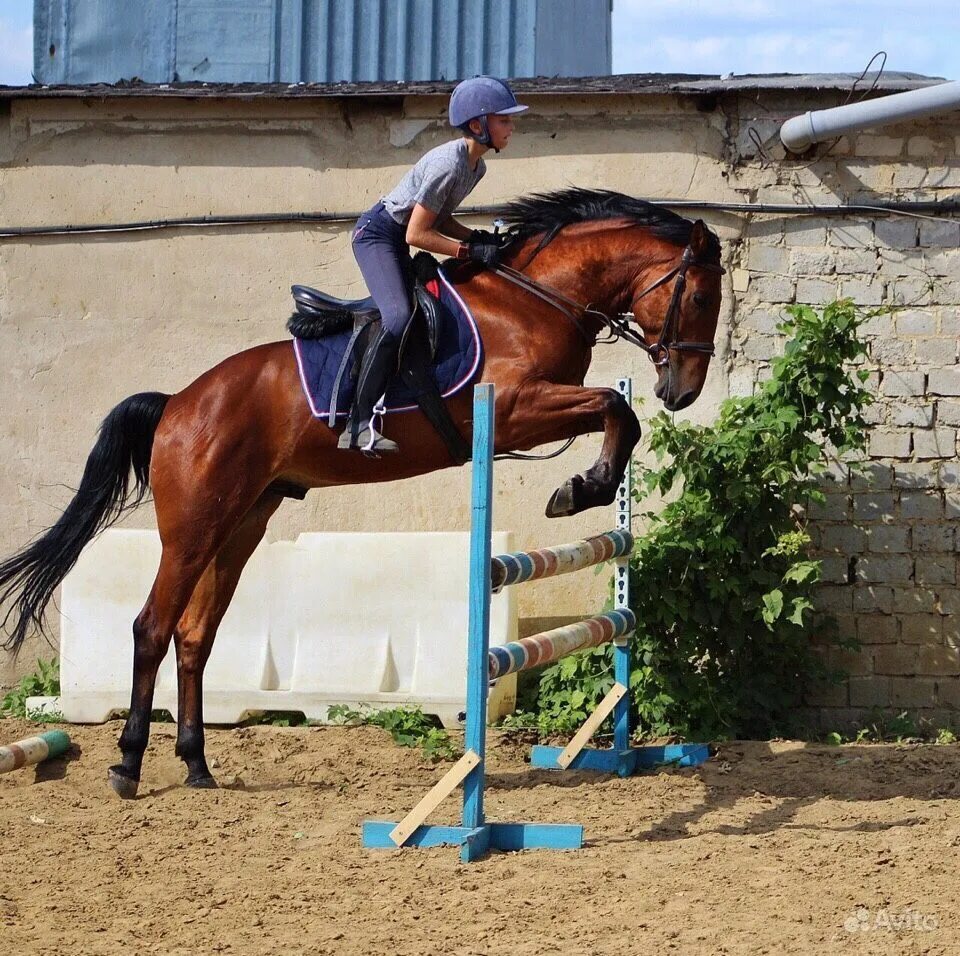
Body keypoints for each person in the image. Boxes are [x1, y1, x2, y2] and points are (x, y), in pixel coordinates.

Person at [340, 75, 528, 454]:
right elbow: (416, 234)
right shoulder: (448, 164)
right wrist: (467, 252)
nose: (512, 126)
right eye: (504, 119)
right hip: (378, 236)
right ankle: (357, 424)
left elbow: (438, 218)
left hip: (402, 234)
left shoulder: (476, 168)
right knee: (396, 318)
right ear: (478, 125)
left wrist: (475, 237)